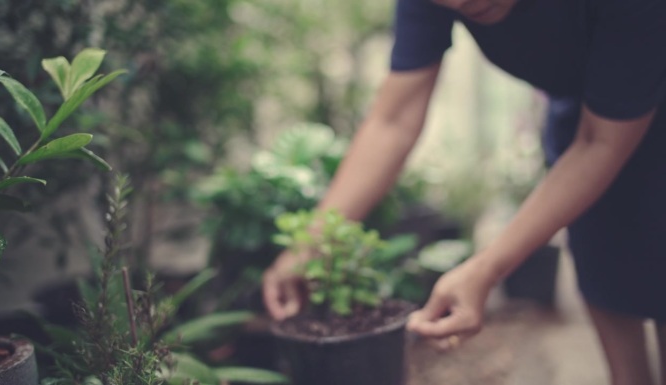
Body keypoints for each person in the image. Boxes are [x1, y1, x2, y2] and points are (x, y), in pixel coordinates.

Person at [262, 0, 666, 383]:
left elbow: (602, 142)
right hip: (585, 126)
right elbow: (393, 120)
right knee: (615, 310)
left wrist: (486, 268)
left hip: (615, 127)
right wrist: (310, 244)